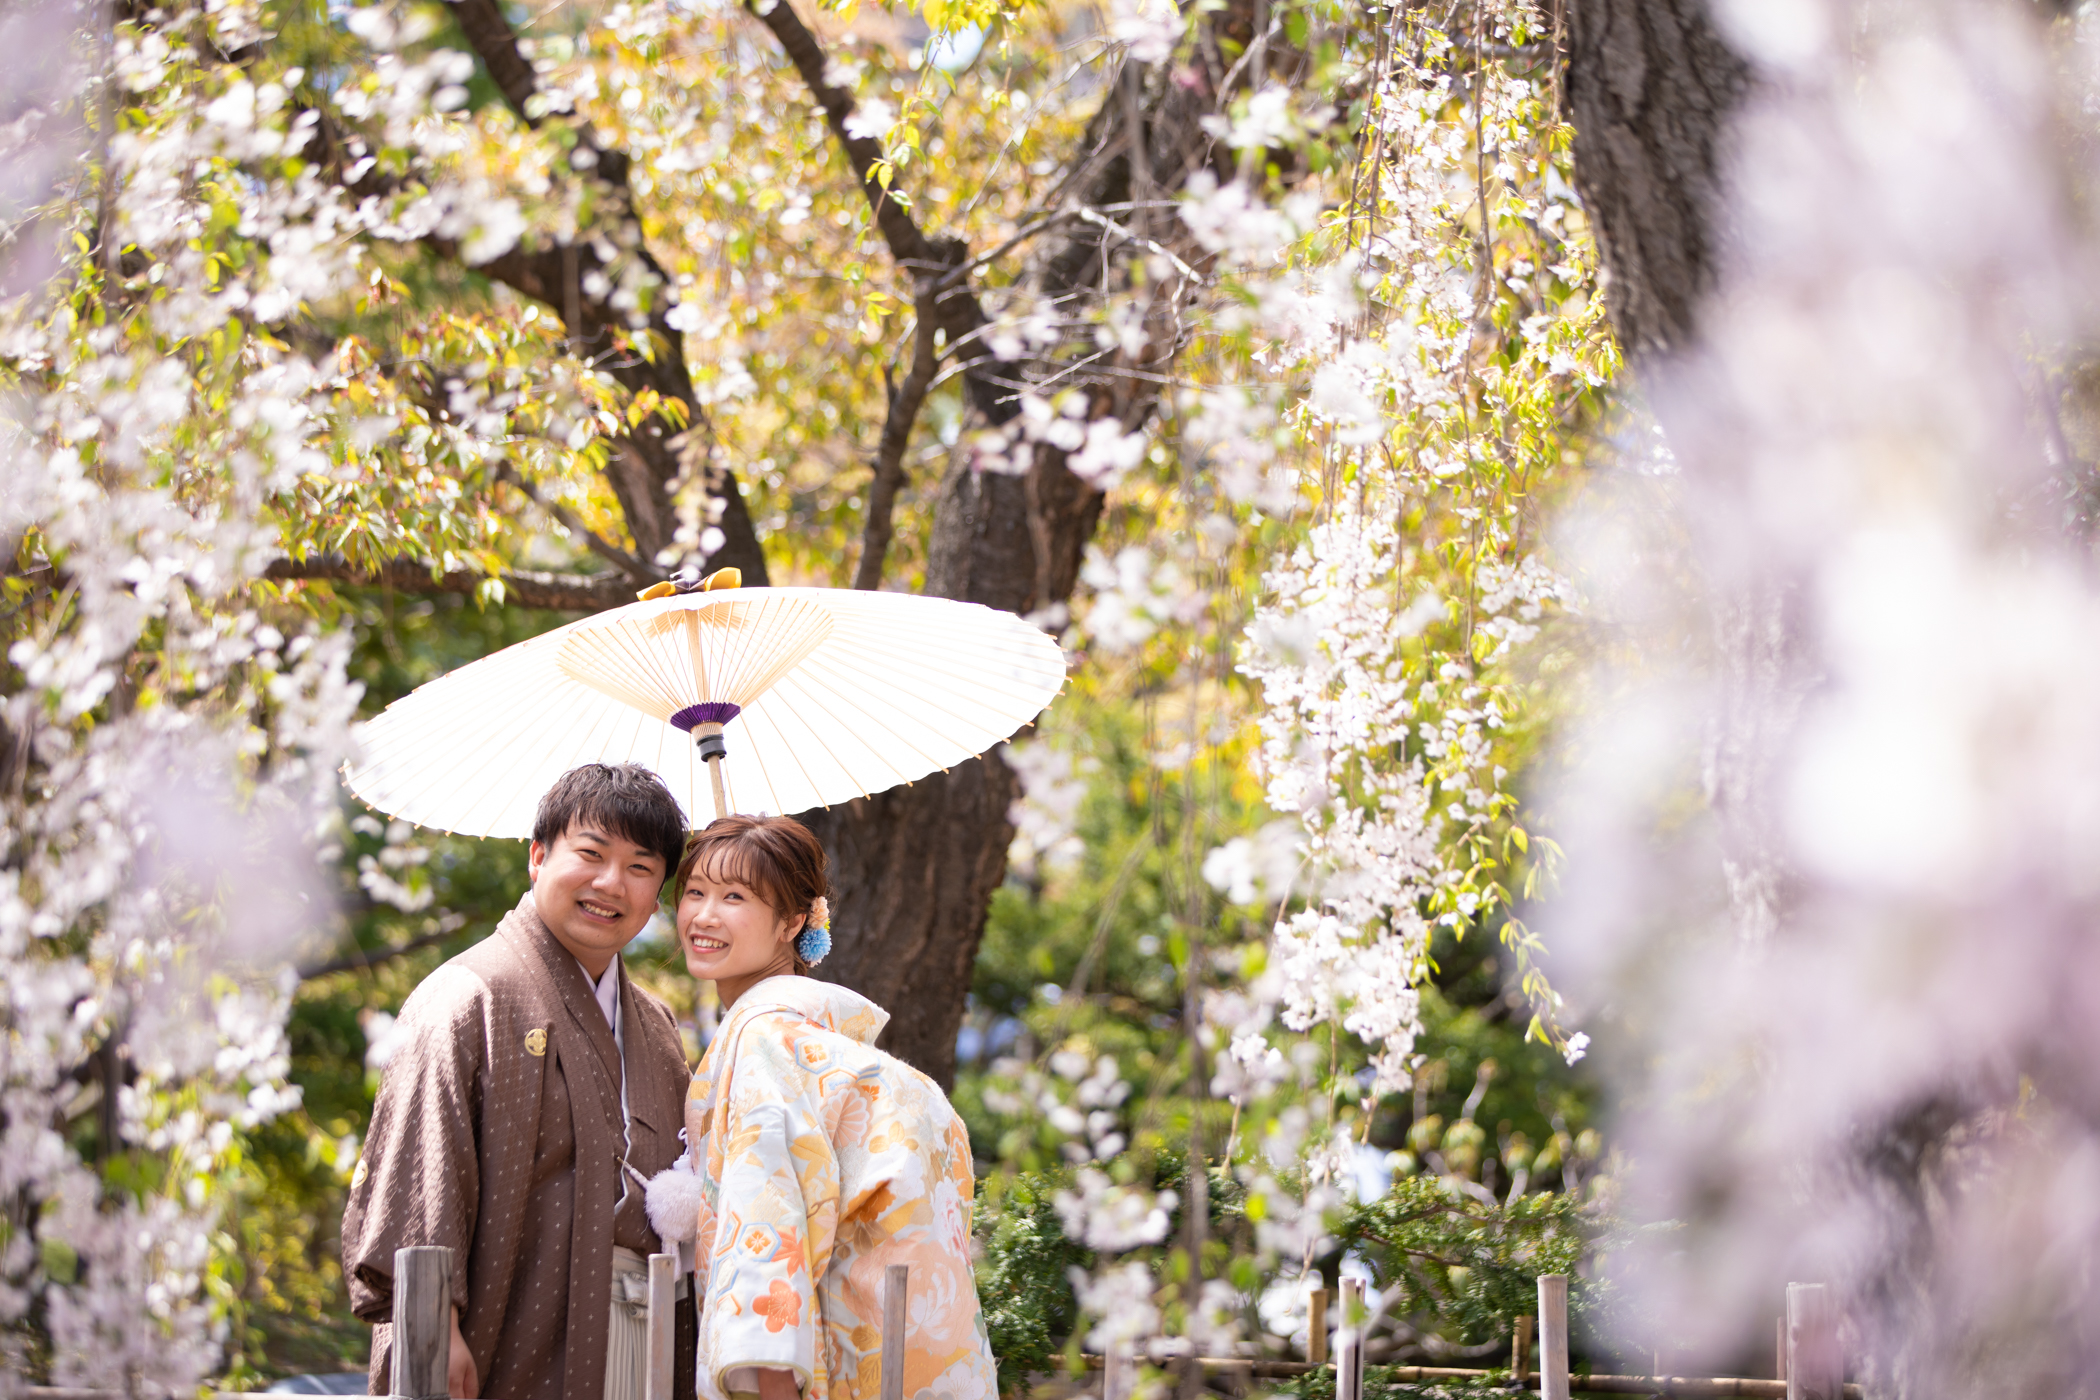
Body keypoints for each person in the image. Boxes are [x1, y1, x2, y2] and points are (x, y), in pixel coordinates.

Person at [341, 763, 697, 1400]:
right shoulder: (466, 998)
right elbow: (422, 1180)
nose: (611, 883)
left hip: (643, 1350)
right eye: (591, 853)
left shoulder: (658, 1026)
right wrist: (434, 1333)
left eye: (642, 868)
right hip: (505, 1342)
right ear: (538, 857)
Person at [643, 815, 998, 1400]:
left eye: (734, 896)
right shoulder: (827, 1047)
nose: (703, 916)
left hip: (834, 1365)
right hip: (918, 1355)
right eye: (696, 892)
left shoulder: (762, 1042)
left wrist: (772, 1380)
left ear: (794, 920)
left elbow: (766, 1218)